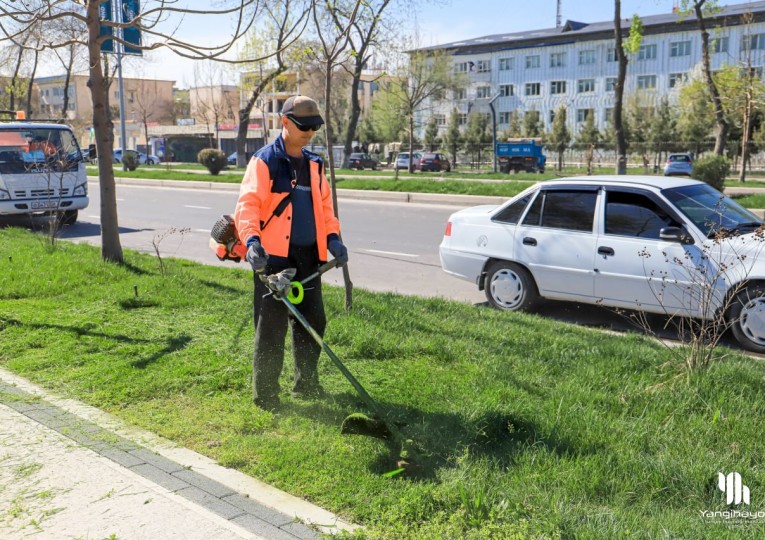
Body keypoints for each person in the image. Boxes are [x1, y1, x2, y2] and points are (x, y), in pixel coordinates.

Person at [234, 95, 349, 411]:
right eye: (304, 127)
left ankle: (307, 385)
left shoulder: (314, 164)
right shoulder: (265, 161)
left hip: (309, 256)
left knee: (313, 322)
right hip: (273, 259)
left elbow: (324, 208)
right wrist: (252, 241)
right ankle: (266, 396)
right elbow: (248, 207)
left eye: (314, 128)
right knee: (271, 328)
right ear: (284, 122)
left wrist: (334, 239)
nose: (310, 133)